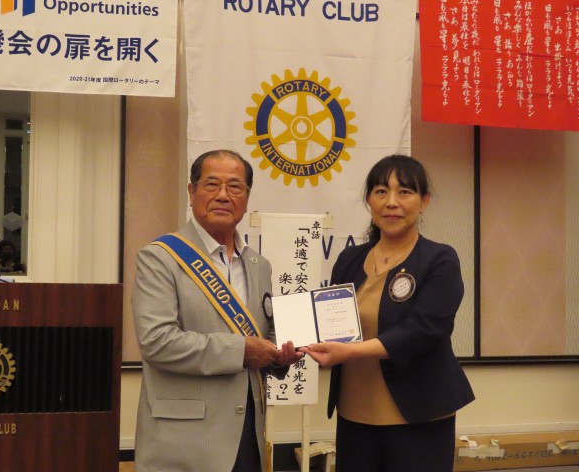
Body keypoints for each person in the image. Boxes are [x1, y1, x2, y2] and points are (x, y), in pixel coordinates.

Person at [301, 155, 475, 472]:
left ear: (424, 202)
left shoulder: (439, 259)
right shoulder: (349, 259)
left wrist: (349, 352)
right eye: (381, 191)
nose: (391, 202)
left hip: (419, 415)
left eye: (404, 192)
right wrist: (297, 341)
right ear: (369, 200)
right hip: (354, 414)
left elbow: (422, 330)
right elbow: (330, 322)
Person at [132, 149, 302, 472]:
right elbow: (157, 342)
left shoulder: (259, 265)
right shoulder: (160, 258)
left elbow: (264, 339)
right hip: (185, 441)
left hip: (248, 433)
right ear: (192, 191)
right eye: (212, 184)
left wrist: (280, 355)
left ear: (247, 197)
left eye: (235, 187)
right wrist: (242, 350)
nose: (223, 195)